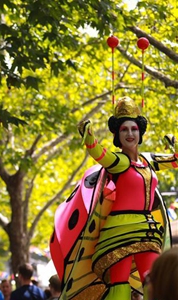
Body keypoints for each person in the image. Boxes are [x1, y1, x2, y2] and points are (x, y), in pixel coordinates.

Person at [51, 96, 175, 299]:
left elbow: (176, 161)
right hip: (119, 232)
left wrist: (173, 144)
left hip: (147, 231)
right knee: (119, 286)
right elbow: (98, 153)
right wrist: (88, 135)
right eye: (124, 129)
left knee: (156, 281)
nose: (129, 133)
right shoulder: (119, 161)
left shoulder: (148, 161)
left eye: (134, 129)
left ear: (140, 132)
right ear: (117, 133)